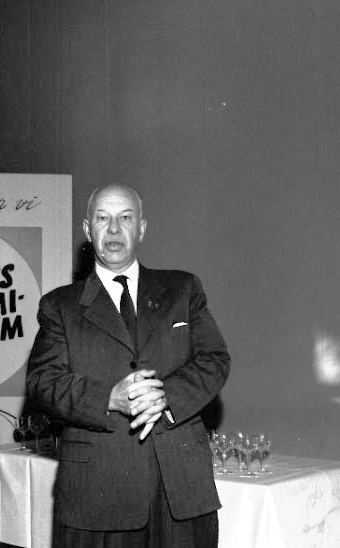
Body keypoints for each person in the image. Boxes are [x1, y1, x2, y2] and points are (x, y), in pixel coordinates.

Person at [26, 184, 231, 548]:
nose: (114, 229)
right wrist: (109, 398)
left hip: (181, 492)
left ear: (142, 228)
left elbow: (214, 360)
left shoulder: (183, 289)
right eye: (102, 218)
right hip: (97, 496)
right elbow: (43, 381)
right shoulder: (59, 306)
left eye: (125, 218)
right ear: (88, 230)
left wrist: (166, 396)